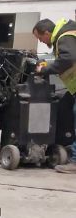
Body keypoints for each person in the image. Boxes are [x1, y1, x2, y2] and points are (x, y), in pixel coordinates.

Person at [33, 18, 76, 173]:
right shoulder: (67, 34)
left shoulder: (65, 37)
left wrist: (44, 70)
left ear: (47, 33)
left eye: (40, 38)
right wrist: (48, 64)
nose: (42, 42)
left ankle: (75, 162)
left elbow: (68, 58)